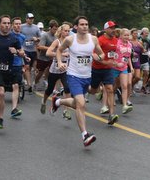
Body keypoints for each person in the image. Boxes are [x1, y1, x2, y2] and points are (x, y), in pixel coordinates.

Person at [51, 16, 105, 147]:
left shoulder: (93, 39)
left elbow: (101, 54)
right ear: (76, 27)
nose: (85, 26)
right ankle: (85, 135)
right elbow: (58, 50)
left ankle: (58, 101)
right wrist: (59, 62)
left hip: (87, 76)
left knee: (77, 103)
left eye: (86, 24)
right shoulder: (70, 39)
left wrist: (98, 57)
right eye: (82, 24)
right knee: (81, 104)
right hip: (73, 76)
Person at [0, 15, 25, 129]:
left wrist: (17, 52)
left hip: (9, 69)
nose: (7, 25)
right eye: (4, 23)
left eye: (8, 23)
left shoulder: (14, 39)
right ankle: (0, 118)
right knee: (2, 92)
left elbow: (22, 52)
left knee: (1, 92)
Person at [89, 21, 120, 125]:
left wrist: (115, 61)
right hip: (97, 69)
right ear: (105, 29)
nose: (113, 30)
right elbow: (94, 55)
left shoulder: (116, 40)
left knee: (110, 89)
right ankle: (84, 89)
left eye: (114, 28)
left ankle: (111, 115)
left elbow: (114, 54)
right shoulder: (100, 40)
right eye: (111, 28)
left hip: (108, 70)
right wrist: (106, 61)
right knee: (93, 91)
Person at [42, 23, 72, 119]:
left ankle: (66, 111)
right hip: (55, 69)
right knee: (50, 89)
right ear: (61, 31)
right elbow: (48, 52)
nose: (67, 33)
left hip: (65, 69)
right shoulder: (57, 41)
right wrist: (60, 54)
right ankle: (43, 102)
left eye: (68, 31)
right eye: (65, 31)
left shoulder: (70, 42)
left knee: (67, 88)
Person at [112, 29, 135, 113]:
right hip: (114, 68)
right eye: (125, 35)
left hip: (124, 68)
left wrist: (131, 66)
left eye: (128, 35)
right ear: (121, 36)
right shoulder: (116, 43)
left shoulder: (129, 44)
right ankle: (110, 99)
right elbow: (111, 54)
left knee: (124, 86)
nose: (126, 37)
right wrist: (115, 63)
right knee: (112, 86)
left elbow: (128, 57)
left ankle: (124, 105)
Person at [35, 20, 58, 90]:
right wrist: (50, 48)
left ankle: (46, 81)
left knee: (50, 70)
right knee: (40, 72)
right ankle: (35, 82)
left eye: (56, 29)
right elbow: (40, 46)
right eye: (54, 29)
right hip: (42, 57)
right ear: (50, 28)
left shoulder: (56, 37)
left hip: (51, 58)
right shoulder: (45, 35)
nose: (55, 31)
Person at [21, 13, 41, 93]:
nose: (31, 19)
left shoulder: (36, 27)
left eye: (32, 18)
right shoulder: (22, 26)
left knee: (35, 68)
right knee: (27, 67)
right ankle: (29, 85)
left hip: (33, 50)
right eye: (29, 18)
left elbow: (40, 37)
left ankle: (33, 82)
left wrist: (37, 39)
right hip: (25, 49)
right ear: (26, 19)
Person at [139, 27, 150, 93]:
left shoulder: (148, 40)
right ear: (143, 32)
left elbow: (149, 49)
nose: (147, 34)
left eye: (148, 33)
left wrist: (149, 54)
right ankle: (132, 86)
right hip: (138, 59)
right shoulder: (138, 39)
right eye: (146, 33)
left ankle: (143, 86)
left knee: (146, 73)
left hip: (145, 59)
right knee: (137, 75)